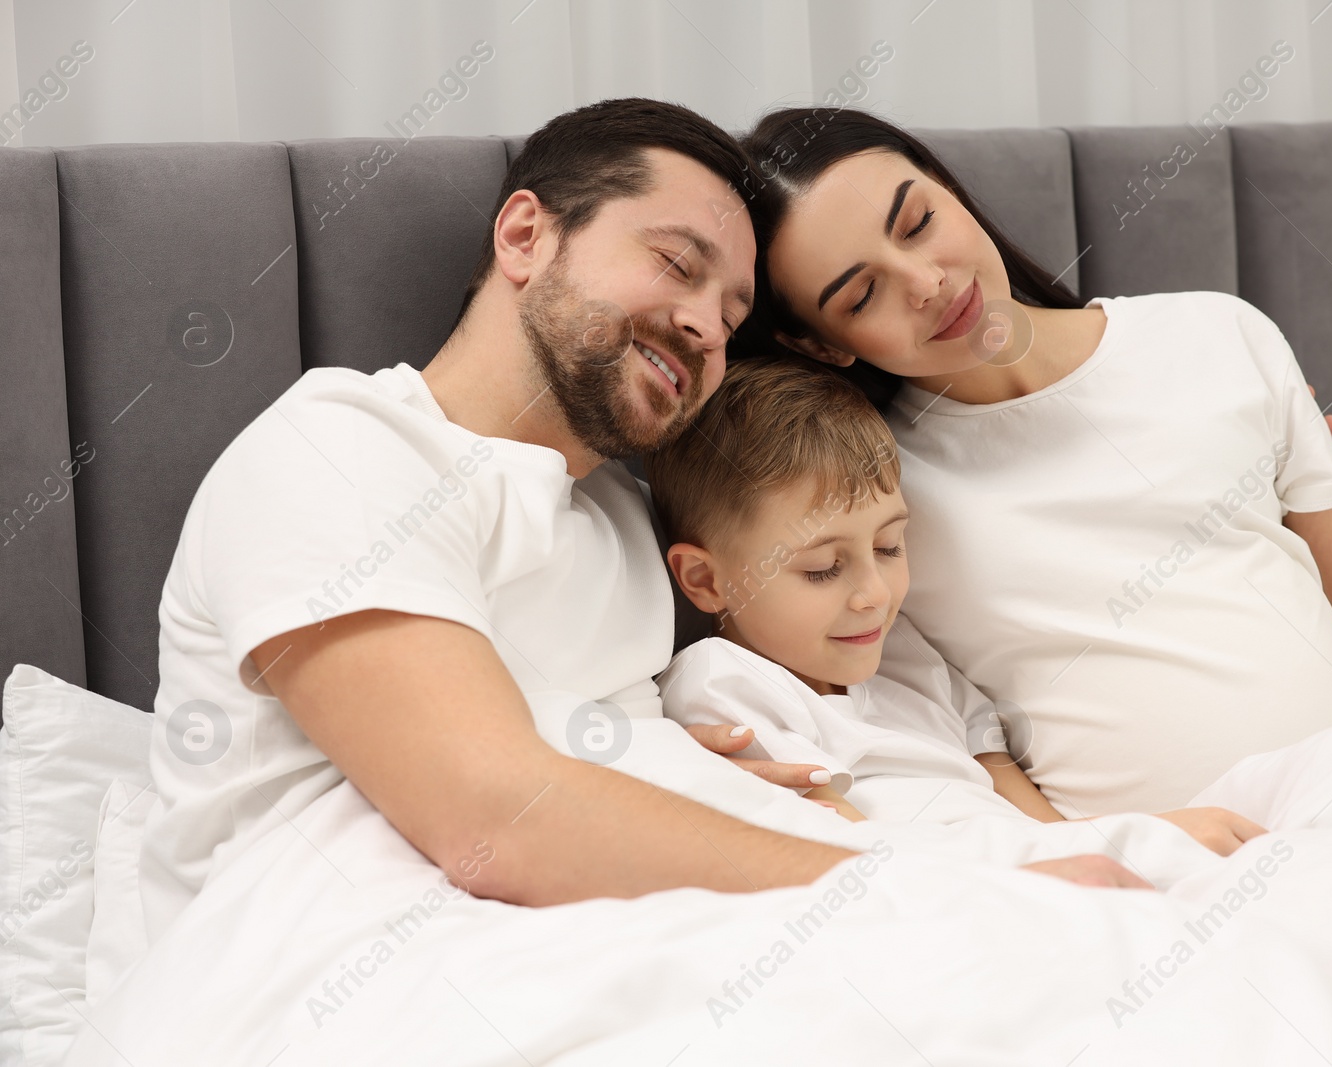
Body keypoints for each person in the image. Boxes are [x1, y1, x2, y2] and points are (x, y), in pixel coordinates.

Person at [138, 97, 1147, 945]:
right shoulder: (342, 450)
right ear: (526, 234)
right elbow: (493, 818)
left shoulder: (631, 514)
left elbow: (830, 502)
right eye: (676, 262)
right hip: (342, 947)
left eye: (733, 310)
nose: (707, 323)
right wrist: (928, 890)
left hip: (624, 929)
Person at [700, 106, 1332, 817]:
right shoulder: (878, 496)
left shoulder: (1219, 333)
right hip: (1155, 882)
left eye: (919, 222)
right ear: (823, 345)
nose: (927, 283)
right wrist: (709, 753)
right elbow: (804, 659)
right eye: (863, 294)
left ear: (951, 189)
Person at [647, 357, 1266, 857]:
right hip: (951, 887)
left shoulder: (906, 654)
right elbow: (849, 849)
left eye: (889, 546)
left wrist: (1109, 852)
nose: (874, 594)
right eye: (823, 569)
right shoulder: (723, 685)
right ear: (705, 580)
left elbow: (1029, 814)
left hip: (1037, 866)